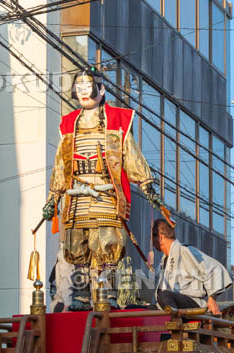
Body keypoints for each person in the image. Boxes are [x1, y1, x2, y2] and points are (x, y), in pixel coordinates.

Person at [42, 67, 166, 310]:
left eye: (88, 87)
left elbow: (130, 155)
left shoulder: (118, 121)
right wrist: (53, 198)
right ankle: (81, 296)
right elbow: (60, 164)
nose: (84, 92)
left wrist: (146, 184)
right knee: (77, 246)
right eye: (80, 88)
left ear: (102, 89)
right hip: (76, 195)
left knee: (107, 244)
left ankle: (107, 293)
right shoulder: (68, 125)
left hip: (106, 194)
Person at [150, 218, 232, 315]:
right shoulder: (163, 262)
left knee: (164, 295)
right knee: (134, 308)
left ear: (160, 237)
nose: (151, 242)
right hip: (169, 304)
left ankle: (175, 321)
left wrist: (212, 298)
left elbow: (215, 269)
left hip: (191, 304)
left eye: (152, 237)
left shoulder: (184, 251)